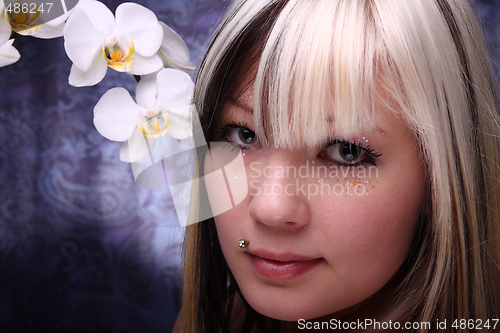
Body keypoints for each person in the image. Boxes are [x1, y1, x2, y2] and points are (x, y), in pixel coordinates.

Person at [176, 0, 500, 331]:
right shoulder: (219, 319)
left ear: (439, 179)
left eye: (347, 152)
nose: (271, 209)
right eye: (244, 135)